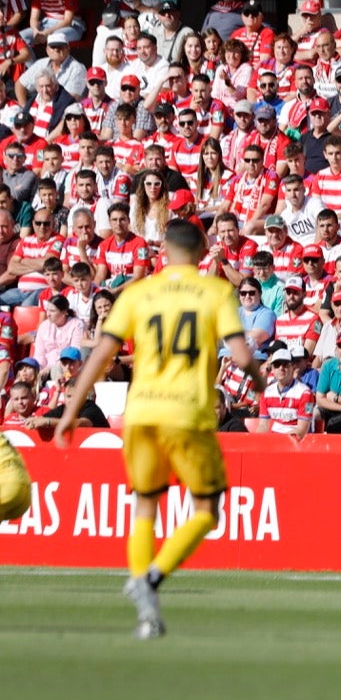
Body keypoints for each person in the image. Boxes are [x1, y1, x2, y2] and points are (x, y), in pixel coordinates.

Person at [55, 219, 266, 640]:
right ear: (203, 250)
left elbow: (101, 356)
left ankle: (146, 610)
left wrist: (69, 410)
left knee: (145, 507)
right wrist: (259, 380)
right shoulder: (215, 291)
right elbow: (240, 354)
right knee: (207, 511)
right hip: (187, 414)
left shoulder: (138, 293)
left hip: (141, 413)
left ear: (164, 250)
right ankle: (151, 578)